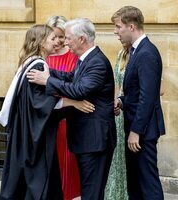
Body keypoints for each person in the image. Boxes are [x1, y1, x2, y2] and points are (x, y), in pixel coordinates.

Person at [0, 24, 94, 200]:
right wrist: (73, 102)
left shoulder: (29, 62)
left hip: (26, 129)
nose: (57, 42)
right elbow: (41, 103)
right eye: (52, 38)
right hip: (34, 135)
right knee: (39, 179)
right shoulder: (38, 65)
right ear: (41, 42)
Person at [27, 18, 116, 200]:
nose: (65, 42)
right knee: (88, 190)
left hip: (95, 141)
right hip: (86, 139)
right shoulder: (85, 59)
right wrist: (48, 72)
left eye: (68, 38)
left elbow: (80, 90)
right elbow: (70, 77)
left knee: (91, 193)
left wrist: (47, 80)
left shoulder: (97, 62)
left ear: (81, 39)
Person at [111, 6, 165, 200]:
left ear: (131, 26)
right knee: (135, 184)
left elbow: (148, 97)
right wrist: (121, 101)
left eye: (118, 27)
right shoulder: (136, 51)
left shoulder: (146, 53)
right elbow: (136, 93)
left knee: (147, 184)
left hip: (142, 131)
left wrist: (136, 132)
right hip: (136, 127)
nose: (115, 32)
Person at [46, 15, 81, 200]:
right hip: (47, 118)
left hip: (67, 118)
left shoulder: (73, 57)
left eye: (62, 36)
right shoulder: (42, 58)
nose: (59, 41)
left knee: (68, 162)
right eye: (55, 36)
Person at [104, 43, 130, 200]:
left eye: (119, 28)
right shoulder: (120, 54)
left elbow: (160, 90)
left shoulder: (143, 54)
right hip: (119, 110)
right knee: (116, 155)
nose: (117, 33)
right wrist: (115, 102)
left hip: (132, 109)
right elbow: (116, 84)